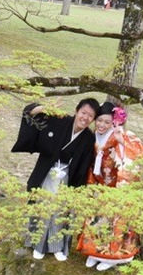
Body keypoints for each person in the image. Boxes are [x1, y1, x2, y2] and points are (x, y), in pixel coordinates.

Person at [11, 98, 99, 260]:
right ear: (76, 111)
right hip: (47, 173)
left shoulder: (88, 138)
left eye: (90, 116)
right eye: (83, 113)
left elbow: (83, 166)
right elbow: (30, 114)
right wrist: (43, 108)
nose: (85, 118)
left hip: (66, 177)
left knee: (61, 211)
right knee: (42, 207)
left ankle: (57, 247)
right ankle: (38, 244)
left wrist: (77, 192)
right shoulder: (60, 121)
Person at [75, 101, 143, 271]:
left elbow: (140, 150)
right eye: (99, 120)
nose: (102, 125)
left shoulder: (120, 134)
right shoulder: (93, 136)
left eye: (107, 122)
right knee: (96, 219)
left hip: (116, 186)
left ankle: (114, 256)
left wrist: (122, 140)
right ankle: (94, 252)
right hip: (98, 184)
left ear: (114, 122)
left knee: (115, 221)